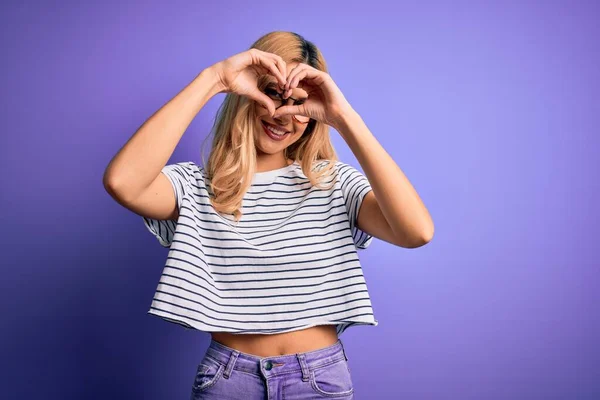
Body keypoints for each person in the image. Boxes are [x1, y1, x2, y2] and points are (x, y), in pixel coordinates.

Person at [103, 31, 434, 399]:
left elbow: (416, 232)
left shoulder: (334, 184)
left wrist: (343, 116)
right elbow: (123, 183)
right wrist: (214, 79)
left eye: (299, 104)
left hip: (318, 379)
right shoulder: (196, 185)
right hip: (228, 379)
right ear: (246, 95)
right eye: (272, 94)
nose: (282, 114)